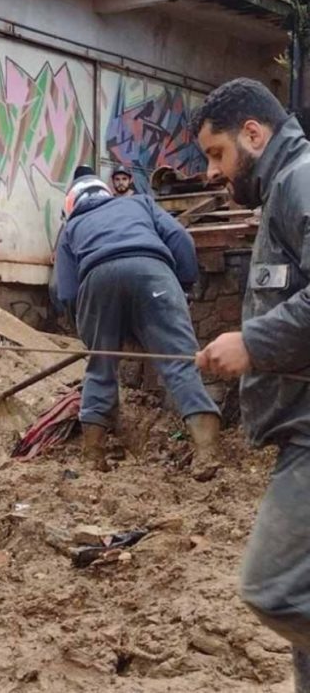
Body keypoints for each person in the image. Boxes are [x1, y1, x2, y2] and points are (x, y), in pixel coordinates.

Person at [192, 78, 310, 685]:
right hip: (299, 429)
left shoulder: (300, 181)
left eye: (217, 154)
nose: (212, 173)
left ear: (255, 134)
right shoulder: (284, 192)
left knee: (274, 591)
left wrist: (254, 343)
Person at [53, 174, 220, 474]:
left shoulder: (71, 228)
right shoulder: (141, 203)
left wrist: (90, 324)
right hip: (153, 271)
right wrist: (183, 282)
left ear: (72, 204)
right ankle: (207, 454)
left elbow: (65, 291)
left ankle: (92, 455)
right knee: (181, 362)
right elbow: (182, 240)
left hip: (97, 278)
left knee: (100, 367)